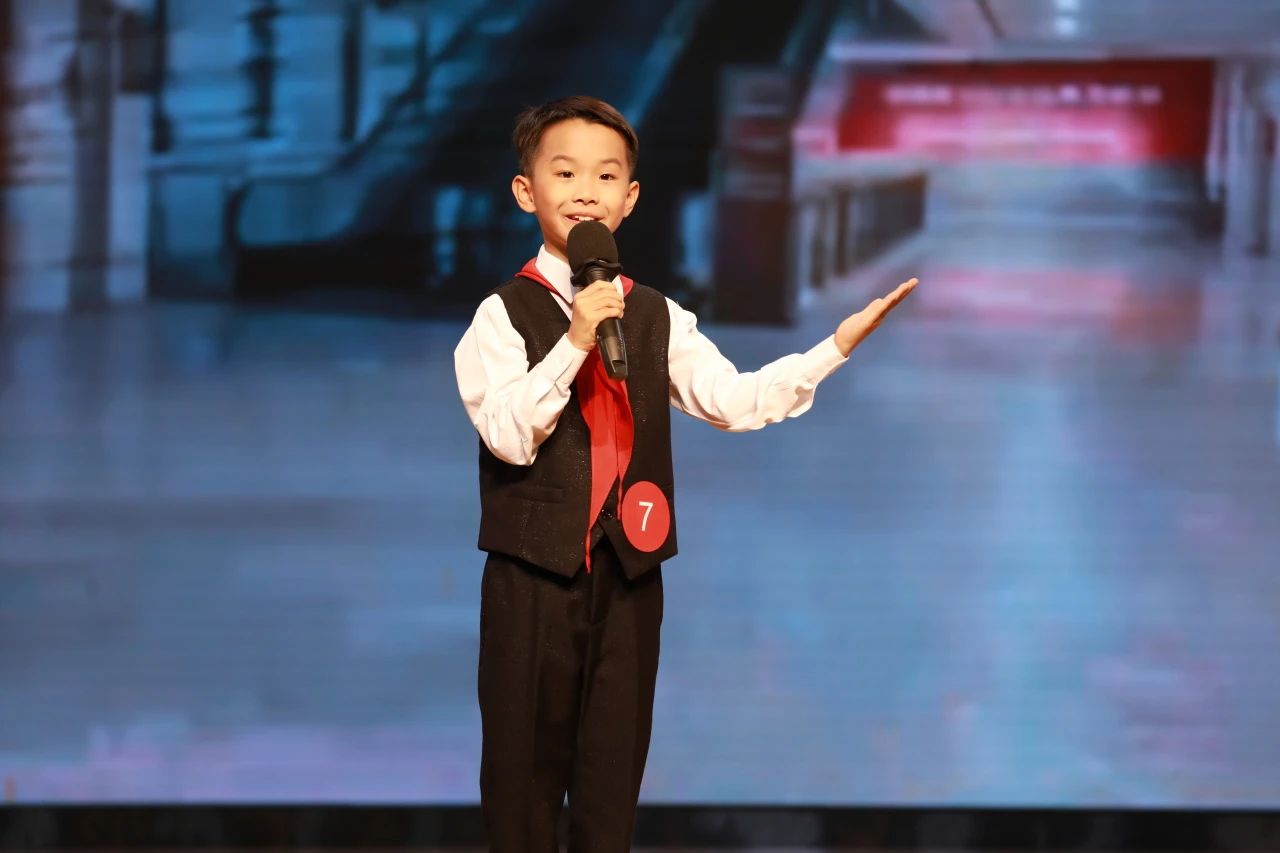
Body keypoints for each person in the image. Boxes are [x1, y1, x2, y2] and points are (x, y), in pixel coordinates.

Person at [453, 95, 916, 852]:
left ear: (631, 198)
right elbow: (508, 436)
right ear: (524, 191)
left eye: (606, 176)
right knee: (522, 787)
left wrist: (831, 348)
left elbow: (733, 401)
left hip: (630, 575)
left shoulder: (656, 316)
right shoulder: (501, 315)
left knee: (609, 788)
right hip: (533, 576)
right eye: (564, 172)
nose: (585, 191)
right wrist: (574, 341)